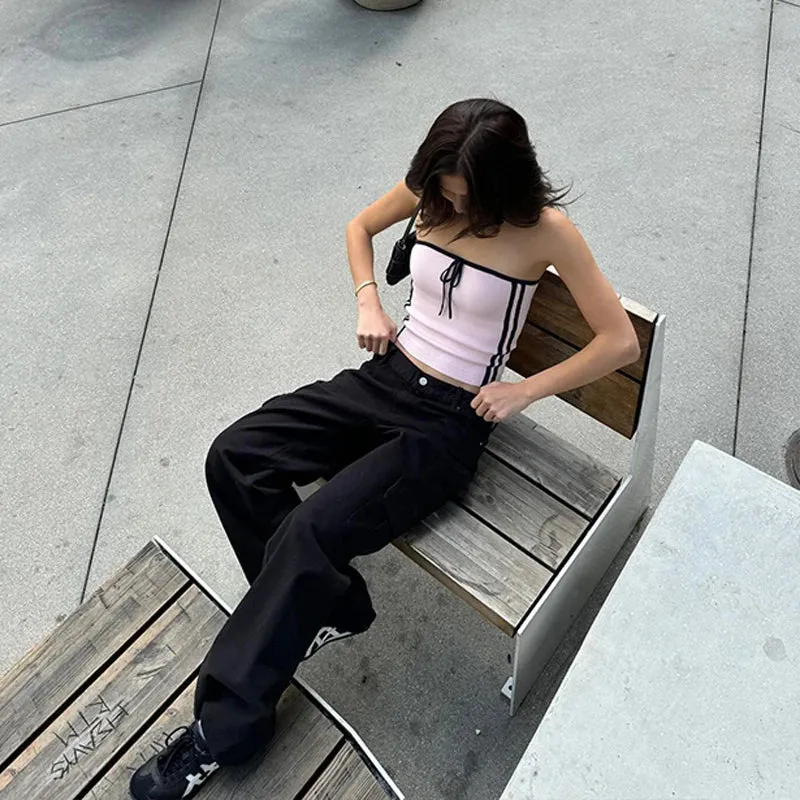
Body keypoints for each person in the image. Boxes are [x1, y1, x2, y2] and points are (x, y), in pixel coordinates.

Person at [129, 97, 641, 800]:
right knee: (235, 456)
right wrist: (368, 298)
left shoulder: (548, 232)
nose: (451, 206)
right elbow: (359, 226)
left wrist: (525, 392)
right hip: (385, 379)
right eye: (444, 193)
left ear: (505, 182)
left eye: (467, 196)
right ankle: (321, 606)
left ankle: (223, 731)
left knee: (311, 531)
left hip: (448, 424)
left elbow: (621, 342)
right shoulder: (431, 190)